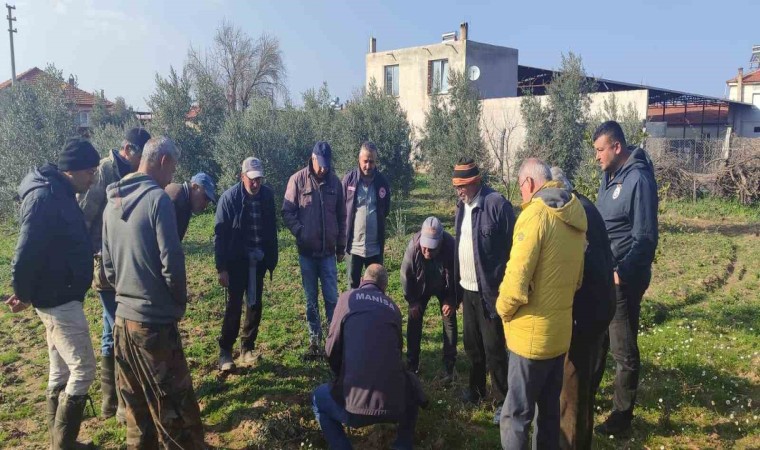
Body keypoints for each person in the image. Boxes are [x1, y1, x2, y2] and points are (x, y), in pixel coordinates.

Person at [102, 137, 205, 449]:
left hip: (121, 323)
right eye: (172, 169)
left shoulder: (111, 203)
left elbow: (107, 270)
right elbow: (172, 263)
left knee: (136, 416)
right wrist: (178, 302)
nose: (172, 178)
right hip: (154, 328)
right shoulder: (158, 200)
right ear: (162, 162)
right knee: (177, 414)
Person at [8, 137, 100, 449]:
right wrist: (22, 292)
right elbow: (25, 251)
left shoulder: (59, 192)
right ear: (73, 170)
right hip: (59, 299)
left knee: (60, 369)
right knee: (84, 369)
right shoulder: (47, 196)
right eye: (90, 172)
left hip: (58, 294)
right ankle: (63, 445)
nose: (93, 178)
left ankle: (58, 442)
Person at [496, 158, 587, 450]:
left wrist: (502, 309)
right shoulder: (575, 216)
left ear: (530, 183)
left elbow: (516, 277)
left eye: (520, 186)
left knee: (516, 414)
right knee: (548, 413)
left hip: (529, 340)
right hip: (559, 336)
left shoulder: (535, 215)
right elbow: (578, 279)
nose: (522, 194)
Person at [78, 127, 150, 420]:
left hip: (121, 262)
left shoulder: (129, 175)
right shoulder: (106, 172)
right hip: (104, 263)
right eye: (141, 155)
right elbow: (86, 215)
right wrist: (92, 255)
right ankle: (119, 401)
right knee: (115, 328)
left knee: (112, 328)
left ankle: (112, 401)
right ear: (128, 150)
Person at [313, 264, 425, 450]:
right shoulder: (394, 309)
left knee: (318, 399)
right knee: (412, 389)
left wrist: (339, 377)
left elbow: (331, 348)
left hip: (352, 408)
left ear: (362, 281)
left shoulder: (347, 299)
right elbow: (397, 353)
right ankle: (402, 446)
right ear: (384, 288)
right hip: (394, 406)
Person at [593, 121, 659, 436]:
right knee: (597, 340)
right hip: (602, 276)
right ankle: (584, 396)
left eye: (600, 150)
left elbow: (645, 238)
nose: (596, 157)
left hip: (622, 279)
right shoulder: (608, 177)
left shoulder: (638, 180)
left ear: (617, 147)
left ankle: (621, 419)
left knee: (623, 350)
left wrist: (622, 274)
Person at [550, 167, 616, 450]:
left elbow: (575, 274)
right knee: (584, 389)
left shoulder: (575, 216)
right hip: (600, 310)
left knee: (571, 393)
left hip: (584, 316)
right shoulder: (587, 207)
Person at [453, 157, 514, 424]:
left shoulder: (496, 205)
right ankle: (476, 390)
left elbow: (513, 249)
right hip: (468, 289)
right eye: (456, 187)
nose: (459, 191)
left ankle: (504, 401)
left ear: (476, 182)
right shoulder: (461, 206)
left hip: (491, 291)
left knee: (495, 349)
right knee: (472, 346)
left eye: (463, 186)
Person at [282, 141, 347, 358]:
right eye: (320, 164)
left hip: (328, 253)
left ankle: (333, 339)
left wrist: (340, 246)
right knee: (311, 300)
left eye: (327, 164)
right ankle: (314, 340)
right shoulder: (297, 180)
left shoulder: (335, 184)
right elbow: (287, 212)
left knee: (332, 298)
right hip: (307, 254)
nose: (324, 168)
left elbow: (342, 216)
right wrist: (301, 232)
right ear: (312, 158)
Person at [214, 157, 278, 371]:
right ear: (242, 177)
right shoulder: (229, 199)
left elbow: (271, 229)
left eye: (258, 179)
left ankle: (247, 347)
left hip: (258, 261)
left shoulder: (267, 197)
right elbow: (220, 236)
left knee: (254, 305)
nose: (255, 184)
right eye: (251, 179)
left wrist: (270, 259)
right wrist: (221, 268)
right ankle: (225, 351)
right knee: (233, 307)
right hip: (236, 262)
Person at [400, 216, 457, 382]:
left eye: (432, 248)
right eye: (425, 247)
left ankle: (449, 366)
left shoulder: (451, 246)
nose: (427, 251)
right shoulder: (413, 246)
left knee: (449, 319)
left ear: (440, 241)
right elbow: (406, 276)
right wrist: (412, 301)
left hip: (445, 286)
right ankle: (412, 364)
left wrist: (452, 300)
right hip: (420, 287)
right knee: (414, 318)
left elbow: (458, 275)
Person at [342, 141, 391, 289]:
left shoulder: (382, 182)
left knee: (375, 286)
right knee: (353, 287)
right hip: (353, 247)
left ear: (375, 162)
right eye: (365, 161)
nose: (368, 166)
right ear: (359, 159)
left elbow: (386, 210)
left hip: (374, 247)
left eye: (372, 162)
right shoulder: (348, 180)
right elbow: (340, 208)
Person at [165, 172, 217, 241]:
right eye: (205, 198)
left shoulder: (186, 201)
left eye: (208, 200)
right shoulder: (177, 200)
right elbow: (167, 243)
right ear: (195, 187)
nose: (206, 205)